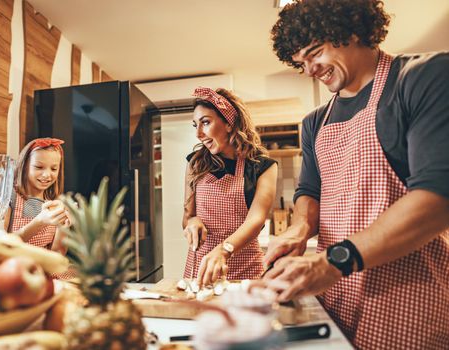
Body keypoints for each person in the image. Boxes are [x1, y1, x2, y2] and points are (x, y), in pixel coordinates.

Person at [260, 0, 449, 348]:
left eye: (314, 53)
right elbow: (309, 191)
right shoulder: (314, 122)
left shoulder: (422, 78)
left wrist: (333, 262)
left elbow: (437, 200)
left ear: (351, 28)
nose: (310, 69)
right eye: (300, 63)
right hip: (337, 295)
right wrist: (298, 230)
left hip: (409, 297)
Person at [183, 87, 278, 287]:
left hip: (246, 271)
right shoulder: (195, 163)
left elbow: (256, 220)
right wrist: (192, 223)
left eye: (206, 123)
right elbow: (187, 216)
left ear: (228, 123)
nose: (199, 134)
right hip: (202, 269)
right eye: (196, 125)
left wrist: (224, 250)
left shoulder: (262, 167)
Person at [4, 138, 69, 257]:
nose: (47, 175)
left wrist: (65, 228)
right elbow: (2, 245)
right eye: (39, 167)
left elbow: (57, 254)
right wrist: (40, 221)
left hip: (42, 270)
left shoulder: (55, 203)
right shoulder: (9, 197)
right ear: (24, 166)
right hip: (14, 266)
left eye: (54, 168)